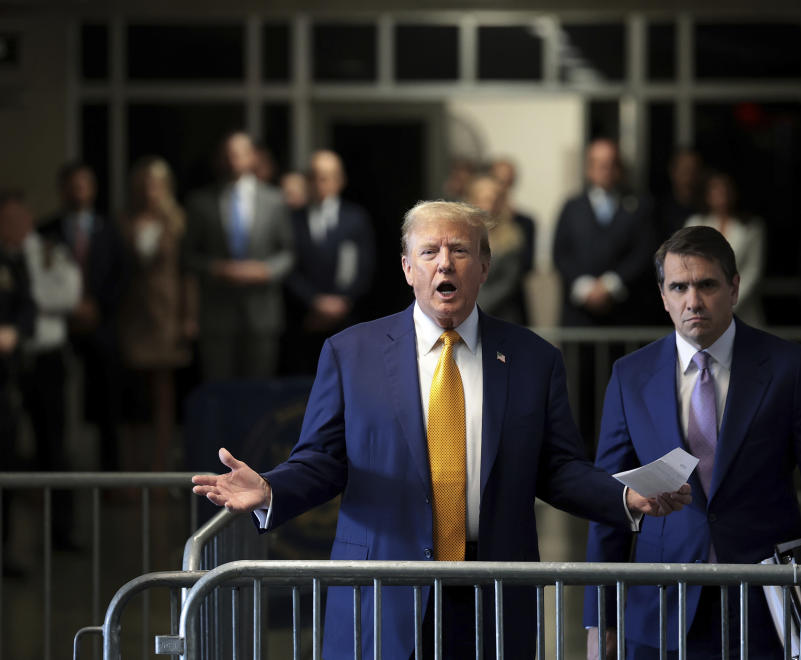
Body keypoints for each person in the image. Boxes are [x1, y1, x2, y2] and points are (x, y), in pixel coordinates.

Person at [193, 200, 691, 660]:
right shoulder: (351, 353)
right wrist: (271, 489)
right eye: (429, 251)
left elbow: (558, 468)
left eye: (459, 250)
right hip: (382, 591)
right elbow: (322, 460)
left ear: (485, 266)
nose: (444, 264)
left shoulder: (534, 359)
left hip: (493, 591)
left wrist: (624, 499)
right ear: (408, 268)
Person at [584, 226, 801, 659]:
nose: (692, 301)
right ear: (663, 295)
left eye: (707, 285)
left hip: (766, 605)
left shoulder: (788, 368)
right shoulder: (630, 376)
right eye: (678, 287)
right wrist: (599, 616)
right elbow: (610, 502)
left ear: (734, 288)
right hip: (661, 608)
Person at [182, 131, 294, 382]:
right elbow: (187, 255)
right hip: (217, 313)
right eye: (228, 154)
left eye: (241, 153)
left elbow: (288, 252)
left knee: (259, 390)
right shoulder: (200, 202)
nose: (234, 160)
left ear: (253, 157)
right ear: (220, 159)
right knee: (219, 389)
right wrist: (215, 268)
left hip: (262, 311)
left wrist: (266, 271)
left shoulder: (274, 199)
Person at [40, 162, 126, 470]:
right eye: (72, 185)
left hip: (100, 325)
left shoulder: (110, 229)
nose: (78, 191)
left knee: (107, 406)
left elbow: (120, 276)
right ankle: (53, 471)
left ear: (93, 189)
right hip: (58, 328)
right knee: (53, 405)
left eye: (84, 184)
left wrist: (98, 308)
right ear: (62, 189)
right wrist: (68, 308)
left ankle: (110, 474)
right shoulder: (46, 230)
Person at [8, 191, 81, 546]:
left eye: (17, 219)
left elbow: (68, 296)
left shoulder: (50, 251)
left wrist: (29, 303)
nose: (12, 227)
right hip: (8, 363)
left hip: (46, 358)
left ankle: (62, 533)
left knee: (54, 445)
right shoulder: (5, 259)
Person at [117, 157, 196, 470]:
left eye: (157, 185)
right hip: (133, 316)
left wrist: (189, 316)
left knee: (164, 396)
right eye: (146, 185)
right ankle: (133, 471)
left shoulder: (178, 223)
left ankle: (160, 469)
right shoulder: (124, 221)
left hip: (167, 315)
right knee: (135, 400)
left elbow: (188, 274)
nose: (151, 191)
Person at [282, 149, 376, 374]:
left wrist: (341, 303)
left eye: (327, 176)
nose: (320, 182)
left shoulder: (356, 219)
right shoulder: (291, 220)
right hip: (304, 319)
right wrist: (314, 302)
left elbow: (365, 267)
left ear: (340, 180)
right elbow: (288, 267)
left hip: (347, 319)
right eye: (314, 176)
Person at [552, 137, 659, 327]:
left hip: (625, 316)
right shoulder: (572, 207)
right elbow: (560, 253)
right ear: (589, 168)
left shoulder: (640, 206)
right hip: (579, 318)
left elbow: (644, 251)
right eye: (600, 164)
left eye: (611, 163)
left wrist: (611, 284)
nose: (606, 169)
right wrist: (584, 288)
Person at [0, 190, 37, 574]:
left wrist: (14, 332)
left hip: (5, 379)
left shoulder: (17, 260)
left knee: (7, 462)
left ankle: (5, 548)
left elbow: (28, 309)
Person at [685, 172, 765, 326]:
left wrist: (728, 304)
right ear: (707, 195)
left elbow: (753, 272)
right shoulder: (694, 223)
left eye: (725, 189)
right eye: (716, 190)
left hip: (742, 312)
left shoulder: (751, 227)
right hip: (701, 311)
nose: (721, 194)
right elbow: (686, 266)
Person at [465, 174, 528, 325]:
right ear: (473, 201)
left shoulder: (512, 237)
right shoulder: (460, 234)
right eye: (484, 199)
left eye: (494, 200)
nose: (489, 206)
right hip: (463, 317)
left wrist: (473, 307)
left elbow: (506, 284)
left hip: (499, 318)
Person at [656, 147, 704, 243]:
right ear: (673, 172)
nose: (690, 178)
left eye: (694, 171)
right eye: (685, 171)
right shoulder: (658, 212)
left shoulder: (706, 210)